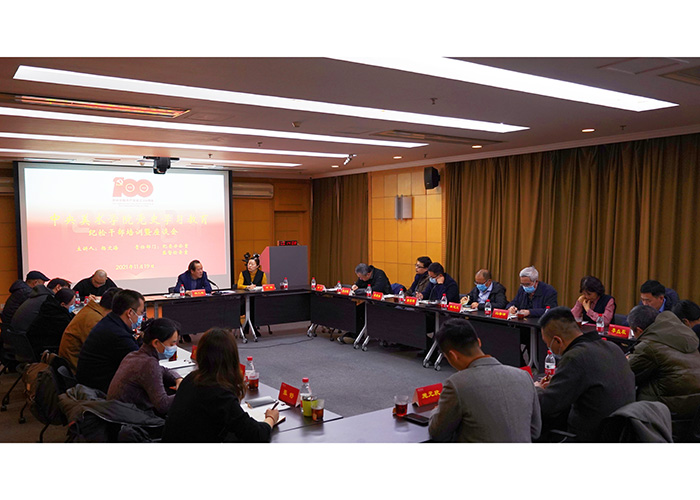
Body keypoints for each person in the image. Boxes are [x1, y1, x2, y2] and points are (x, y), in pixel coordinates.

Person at [428, 318, 541, 442]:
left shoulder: (456, 384)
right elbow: (535, 431)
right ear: (479, 342)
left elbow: (437, 433)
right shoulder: (524, 376)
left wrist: (435, 411)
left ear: (453, 355)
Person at [535, 307, 635, 442]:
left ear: (558, 341)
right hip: (622, 431)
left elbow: (547, 407)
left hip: (590, 436)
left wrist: (537, 389)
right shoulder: (612, 347)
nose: (549, 348)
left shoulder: (575, 357)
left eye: (548, 344)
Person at [162, 328, 279, 442]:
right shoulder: (219, 393)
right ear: (232, 357)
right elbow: (257, 434)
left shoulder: (191, 378)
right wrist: (271, 418)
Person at [627, 305, 700, 421]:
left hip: (665, 413)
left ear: (639, 330)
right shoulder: (684, 335)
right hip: (693, 411)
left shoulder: (649, 346)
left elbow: (626, 374)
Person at [107, 318, 183, 416]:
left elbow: (162, 370)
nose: (174, 347)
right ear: (156, 343)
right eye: (172, 344)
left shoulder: (133, 355)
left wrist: (178, 378)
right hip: (129, 419)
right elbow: (163, 405)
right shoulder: (148, 364)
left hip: (117, 412)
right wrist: (185, 392)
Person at [76, 289, 144, 394]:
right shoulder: (118, 334)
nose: (142, 317)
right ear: (130, 312)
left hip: (92, 384)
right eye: (141, 313)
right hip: (101, 392)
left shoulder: (109, 322)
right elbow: (141, 365)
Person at [59, 287, 120, 372]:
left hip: (76, 363)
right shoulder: (94, 320)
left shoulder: (92, 310)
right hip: (77, 369)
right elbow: (102, 352)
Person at [25, 288, 76, 359]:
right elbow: (68, 334)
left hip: (35, 343)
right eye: (71, 304)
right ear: (63, 304)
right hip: (44, 348)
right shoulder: (58, 317)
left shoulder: (49, 307)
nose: (73, 306)